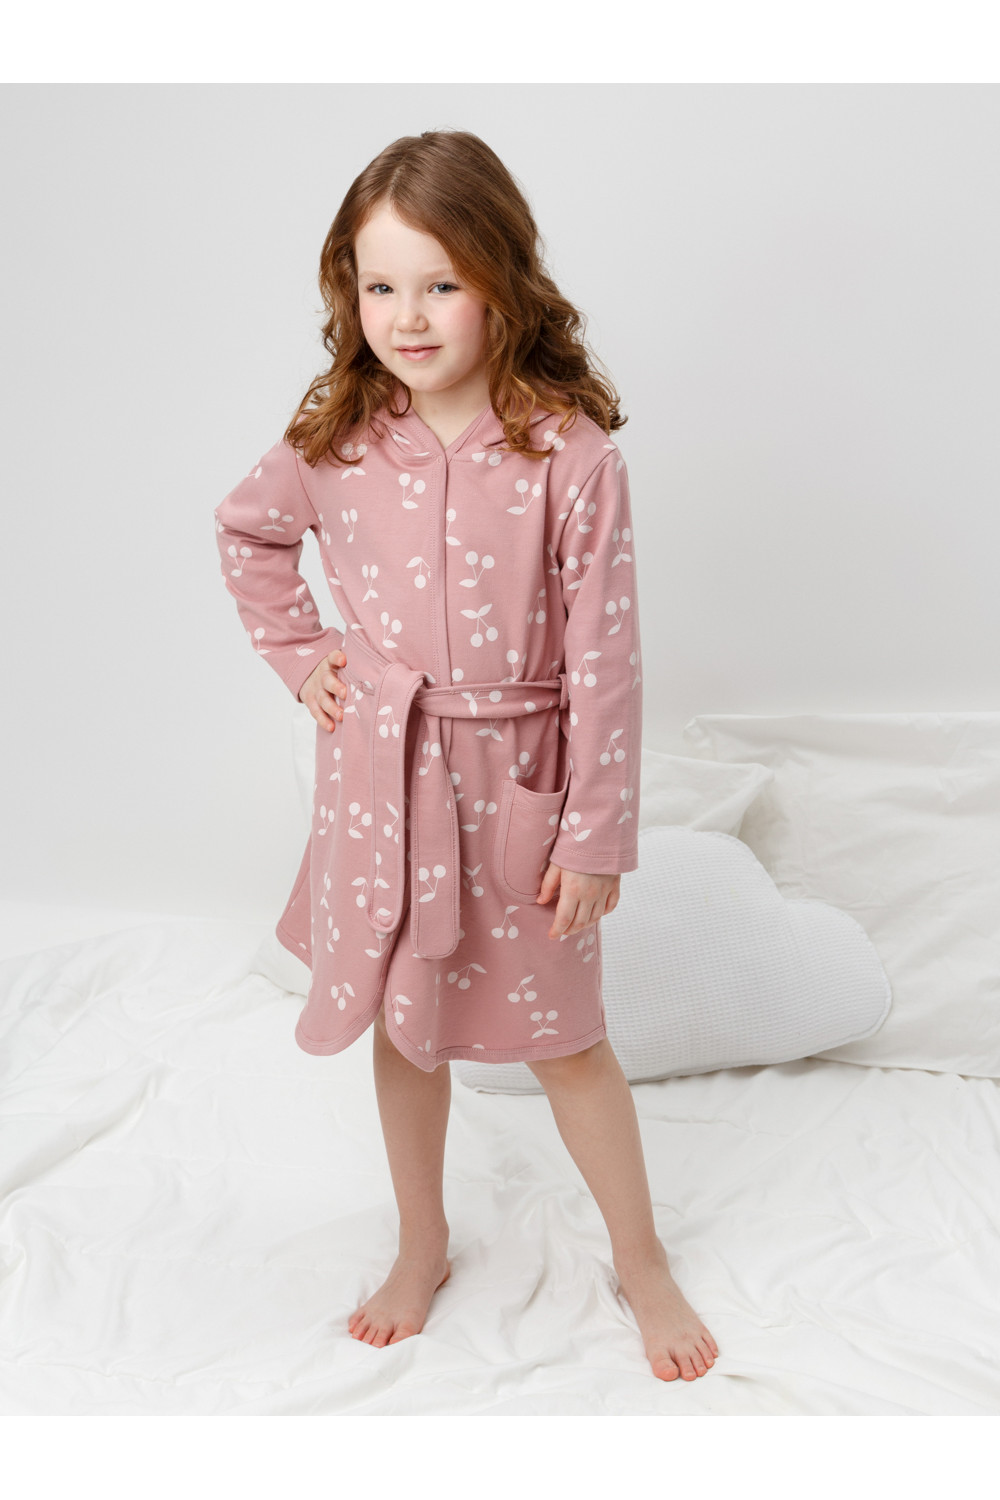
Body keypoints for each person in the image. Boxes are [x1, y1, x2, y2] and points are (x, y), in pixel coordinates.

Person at [213, 129, 718, 1383]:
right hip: (383, 787)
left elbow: (607, 661)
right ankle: (421, 1242)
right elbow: (247, 533)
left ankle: (640, 1259)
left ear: (501, 278)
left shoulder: (568, 454)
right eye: (378, 285)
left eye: (440, 283)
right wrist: (302, 655)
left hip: (518, 788)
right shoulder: (335, 439)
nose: (406, 316)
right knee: (407, 1027)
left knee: (566, 1039)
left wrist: (594, 836)